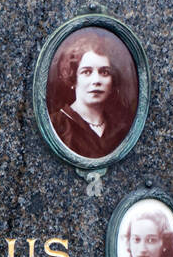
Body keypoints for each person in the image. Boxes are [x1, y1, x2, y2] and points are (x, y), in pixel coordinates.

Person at [47, 27, 137, 159]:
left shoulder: (121, 128)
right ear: (73, 78)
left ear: (112, 81)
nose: (96, 81)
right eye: (86, 72)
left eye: (104, 72)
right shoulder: (57, 125)